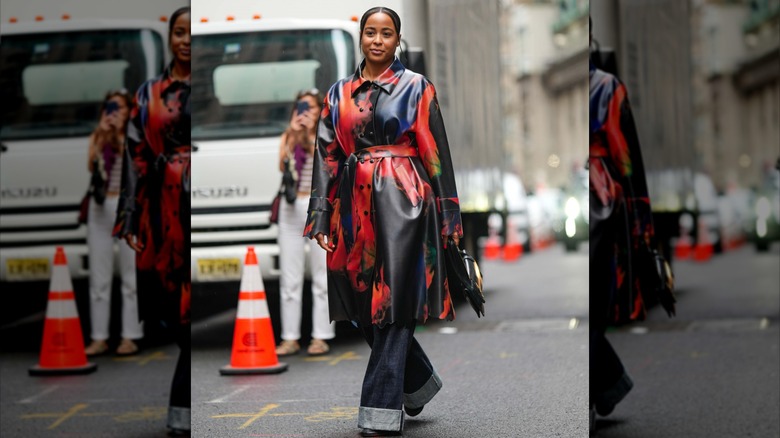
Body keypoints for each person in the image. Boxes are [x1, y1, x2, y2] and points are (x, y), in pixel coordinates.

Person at [304, 7, 463, 437]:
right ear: (361, 37)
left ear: (397, 39)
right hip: (353, 209)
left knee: (394, 304)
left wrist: (449, 212)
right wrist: (320, 213)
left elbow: (436, 153)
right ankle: (419, 382)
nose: (377, 40)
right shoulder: (338, 94)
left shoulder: (417, 88)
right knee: (360, 306)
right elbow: (326, 155)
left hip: (406, 204)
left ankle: (379, 412)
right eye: (370, 32)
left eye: (386, 33)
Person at [589, 16, 674, 433]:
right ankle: (604, 389)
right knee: (596, 304)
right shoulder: (607, 87)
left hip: (598, 200)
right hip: (602, 199)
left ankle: (604, 389)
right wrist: (643, 228)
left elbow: (628, 161)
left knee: (593, 305)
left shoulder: (607, 87)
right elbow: (627, 162)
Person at [114, 6, 191, 436]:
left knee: (191, 312)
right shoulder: (149, 93)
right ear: (170, 37)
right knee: (168, 313)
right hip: (163, 212)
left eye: (193, 33)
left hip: (198, 205)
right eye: (179, 32)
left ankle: (182, 414)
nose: (186, 41)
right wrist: (130, 215)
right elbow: (135, 157)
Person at [275, 90, 335, 357]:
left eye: (310, 107)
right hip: (290, 210)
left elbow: (328, 166)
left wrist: (313, 133)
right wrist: (293, 132)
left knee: (321, 277)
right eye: (301, 107)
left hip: (317, 208)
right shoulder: (289, 136)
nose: (305, 113)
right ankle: (290, 338)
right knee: (289, 278)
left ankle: (321, 336)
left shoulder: (325, 135)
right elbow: (282, 166)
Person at [84, 90, 143, 357]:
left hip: (126, 208)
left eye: (119, 107)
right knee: (99, 278)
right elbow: (91, 167)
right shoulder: (98, 136)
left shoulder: (133, 136)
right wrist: (102, 133)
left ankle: (130, 336)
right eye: (110, 107)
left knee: (131, 277)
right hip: (100, 208)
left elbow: (137, 165)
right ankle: (99, 337)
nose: (114, 112)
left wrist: (121, 133)